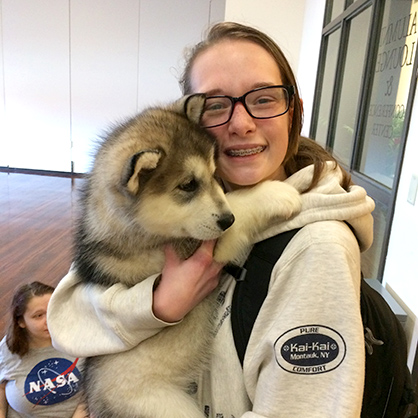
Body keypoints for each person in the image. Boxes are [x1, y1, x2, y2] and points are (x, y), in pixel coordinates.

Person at [47, 22, 375, 417]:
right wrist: (159, 305)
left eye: (264, 98)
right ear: (193, 117)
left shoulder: (316, 248)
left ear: (294, 110)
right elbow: (65, 316)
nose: (241, 123)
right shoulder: (187, 203)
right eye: (217, 104)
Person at [0, 281, 87, 418]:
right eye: (38, 315)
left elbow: (94, 386)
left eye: (53, 311)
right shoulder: (7, 350)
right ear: (21, 321)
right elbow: (1, 387)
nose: (49, 320)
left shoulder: (81, 338)